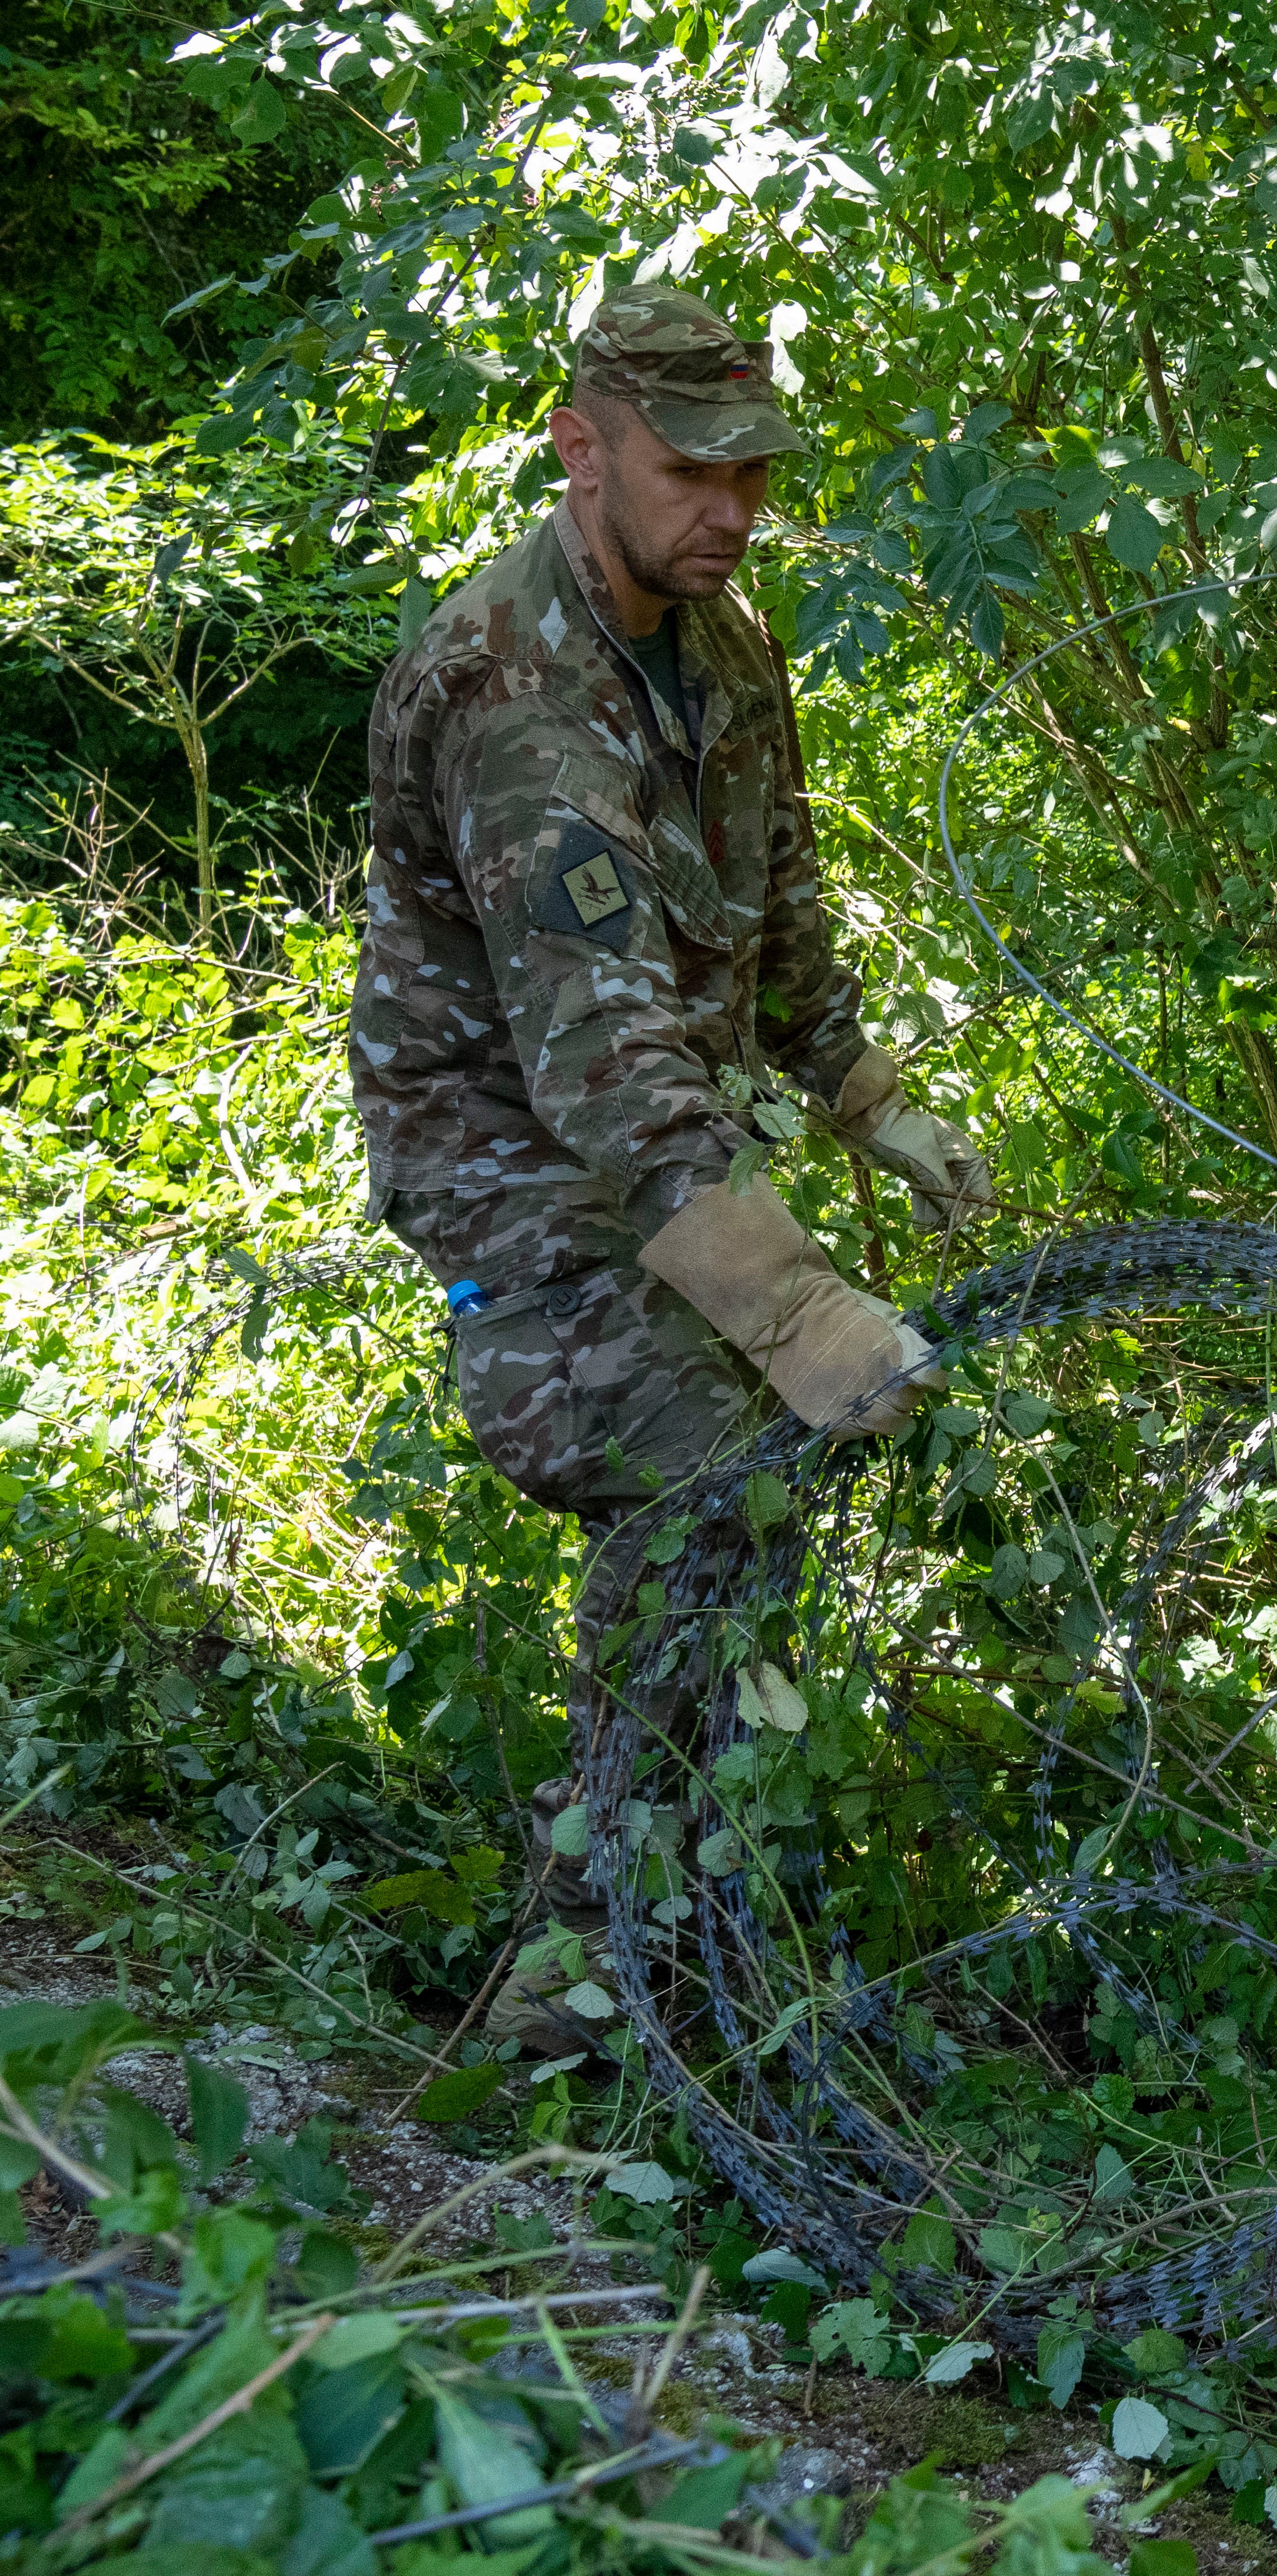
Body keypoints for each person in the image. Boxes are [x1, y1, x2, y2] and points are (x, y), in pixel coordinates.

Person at [353, 286, 992, 2039]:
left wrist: (866, 1091)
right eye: (692, 470)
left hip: (655, 1138)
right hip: (514, 1161)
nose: (731, 510)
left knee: (763, 1499)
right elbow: (600, 1051)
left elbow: (778, 902)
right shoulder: (511, 687)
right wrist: (794, 1308)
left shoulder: (720, 648)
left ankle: (706, 1892)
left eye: (756, 476)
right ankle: (581, 1977)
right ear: (581, 447)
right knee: (714, 1463)